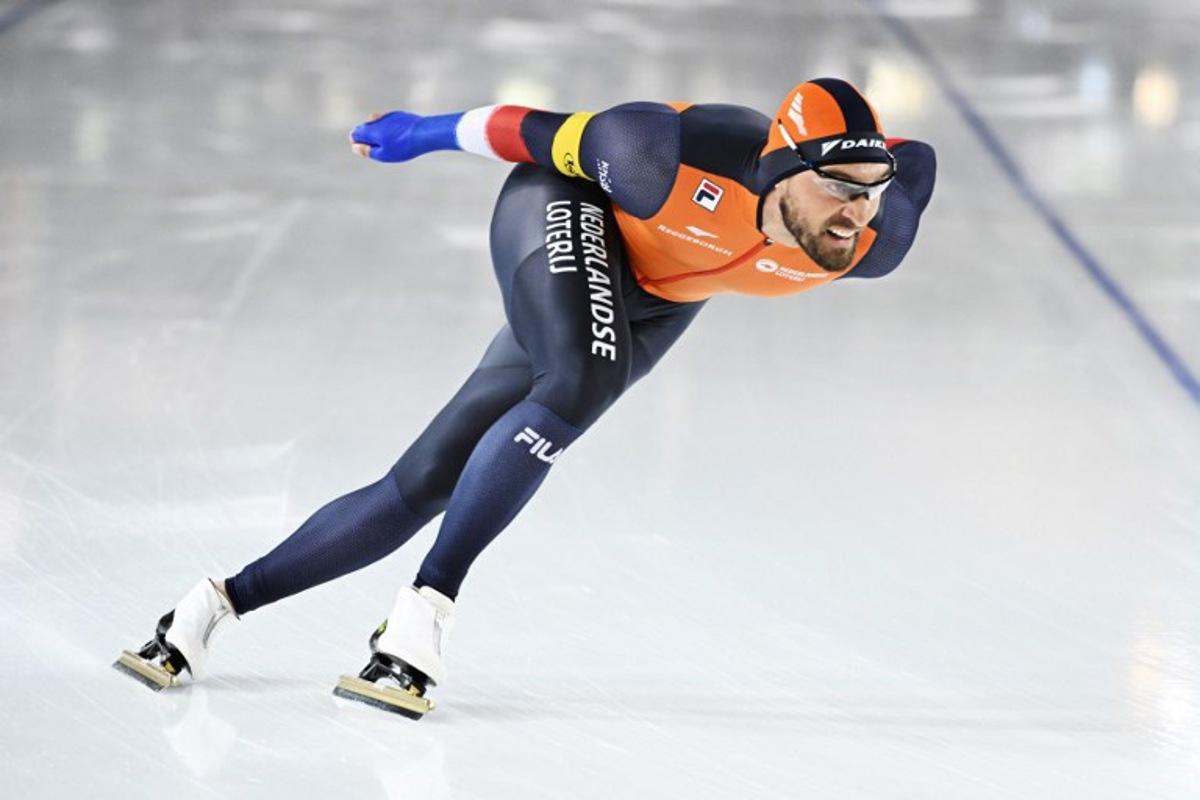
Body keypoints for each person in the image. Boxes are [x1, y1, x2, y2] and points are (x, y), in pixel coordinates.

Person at [114, 78, 937, 719]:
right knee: (579, 378)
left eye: (872, 188)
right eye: (838, 187)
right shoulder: (658, 153)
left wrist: (877, 169)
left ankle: (211, 606)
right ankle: (423, 614)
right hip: (565, 207)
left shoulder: (867, 243)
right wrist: (422, 134)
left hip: (658, 298)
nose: (857, 211)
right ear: (782, 167)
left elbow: (916, 162)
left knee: (430, 478)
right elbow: (526, 130)